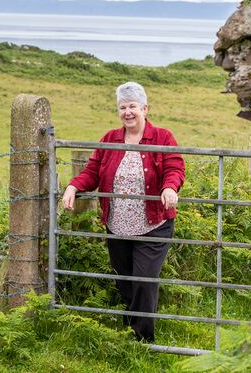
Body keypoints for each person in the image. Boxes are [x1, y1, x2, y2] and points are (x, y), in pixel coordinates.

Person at [61, 81, 185, 343]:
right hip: (117, 224)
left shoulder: (163, 137)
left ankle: (143, 339)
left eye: (133, 107)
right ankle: (130, 327)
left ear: (145, 108)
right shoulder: (110, 139)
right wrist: (73, 186)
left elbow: (175, 167)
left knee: (144, 278)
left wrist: (170, 187)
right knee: (125, 280)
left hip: (153, 224)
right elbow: (92, 171)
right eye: (123, 107)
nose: (128, 112)